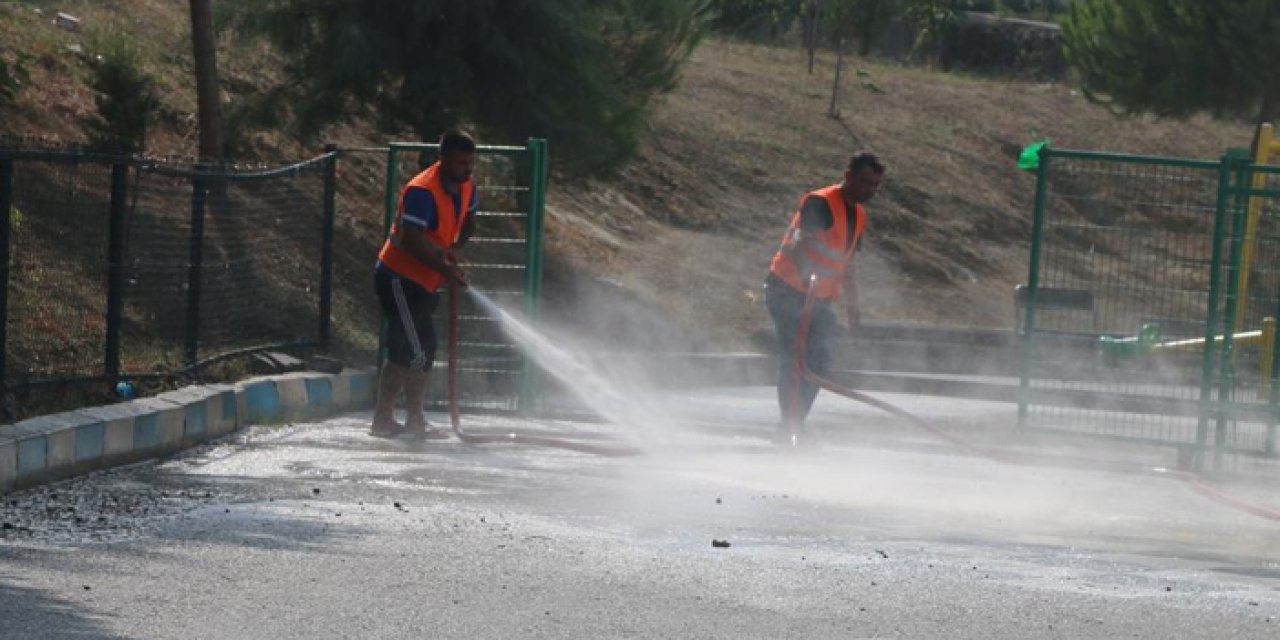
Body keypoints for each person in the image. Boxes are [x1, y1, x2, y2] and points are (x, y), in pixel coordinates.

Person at [764, 152, 885, 444]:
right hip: (789, 290)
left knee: (820, 360)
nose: (870, 190)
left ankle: (795, 422)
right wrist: (808, 276)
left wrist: (853, 305)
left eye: (875, 186)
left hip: (819, 299)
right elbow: (801, 243)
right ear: (848, 176)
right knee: (795, 357)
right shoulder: (820, 201)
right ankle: (790, 425)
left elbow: (847, 262)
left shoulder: (859, 215)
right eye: (865, 182)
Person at [371, 130, 478, 438]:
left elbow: (469, 221)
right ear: (443, 159)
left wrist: (455, 250)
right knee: (412, 350)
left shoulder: (467, 185)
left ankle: (415, 420)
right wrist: (445, 269)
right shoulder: (422, 190)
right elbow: (411, 240)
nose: (467, 169)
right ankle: (383, 419)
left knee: (423, 348)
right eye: (460, 163)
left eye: (471, 162)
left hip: (425, 280)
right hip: (399, 278)